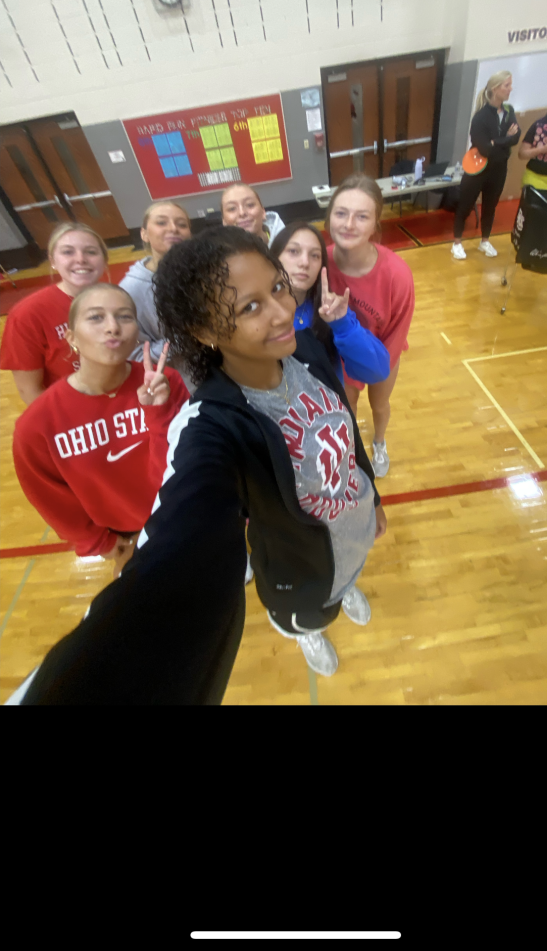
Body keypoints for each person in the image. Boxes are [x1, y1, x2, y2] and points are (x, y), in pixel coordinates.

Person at [9, 227, 386, 703]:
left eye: (277, 287)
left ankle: (345, 586)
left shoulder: (303, 346)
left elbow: (345, 427)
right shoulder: (210, 423)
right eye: (250, 307)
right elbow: (179, 549)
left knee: (348, 571)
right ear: (205, 332)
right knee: (311, 613)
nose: (281, 311)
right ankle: (305, 628)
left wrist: (372, 495)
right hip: (301, 572)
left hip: (355, 526)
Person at [12, 283, 188, 578]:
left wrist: (158, 413)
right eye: (96, 317)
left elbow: (182, 463)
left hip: (182, 510)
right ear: (71, 337)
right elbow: (50, 498)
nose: (112, 327)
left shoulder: (167, 382)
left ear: (136, 332)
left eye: (124, 316)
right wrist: (97, 542)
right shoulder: (37, 424)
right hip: (126, 536)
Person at [324, 174, 415, 479]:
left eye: (361, 216)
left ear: (376, 223)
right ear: (329, 217)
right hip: (339, 353)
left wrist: (376, 368)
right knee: (346, 405)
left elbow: (398, 331)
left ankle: (379, 442)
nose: (349, 224)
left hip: (381, 353)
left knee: (379, 404)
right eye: (341, 213)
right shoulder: (318, 262)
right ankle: (350, 448)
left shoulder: (396, 274)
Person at [270, 221, 391, 387]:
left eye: (314, 255)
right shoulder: (257, 314)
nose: (304, 262)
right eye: (293, 251)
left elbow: (377, 371)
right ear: (274, 258)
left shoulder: (331, 311)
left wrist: (343, 325)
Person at [0, 222, 109, 406]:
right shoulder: (27, 314)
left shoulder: (119, 300)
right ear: (53, 261)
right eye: (68, 252)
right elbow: (29, 390)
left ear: (104, 259)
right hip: (73, 411)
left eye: (91, 252)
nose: (81, 259)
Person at [119, 200, 194, 391]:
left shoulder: (202, 271)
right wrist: (188, 338)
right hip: (182, 388)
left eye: (182, 224)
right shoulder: (130, 291)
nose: (173, 228)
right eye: (161, 222)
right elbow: (135, 355)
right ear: (144, 234)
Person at [452, 70, 521, 261]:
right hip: (477, 169)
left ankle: (485, 241)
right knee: (465, 205)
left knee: (491, 206)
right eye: (507, 85)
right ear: (495, 89)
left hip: (499, 168)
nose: (510, 89)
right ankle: (457, 243)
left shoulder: (509, 111)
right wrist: (504, 139)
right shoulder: (480, 117)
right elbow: (483, 148)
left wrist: (496, 141)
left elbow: (515, 137)